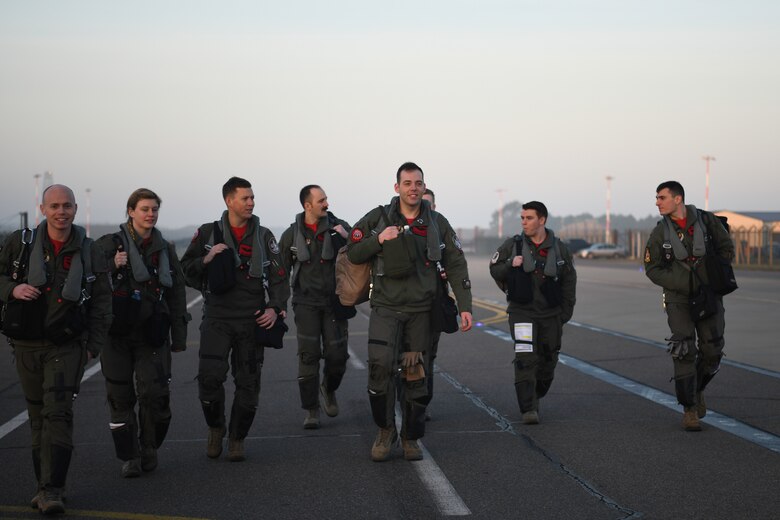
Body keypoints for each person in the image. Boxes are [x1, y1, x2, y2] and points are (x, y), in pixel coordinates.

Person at [347, 162, 473, 462]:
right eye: (407, 183)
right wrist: (379, 239)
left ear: (423, 186)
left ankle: (410, 438)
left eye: (418, 183)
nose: (413, 188)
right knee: (379, 370)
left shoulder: (437, 223)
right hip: (386, 308)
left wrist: (465, 307)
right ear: (397, 187)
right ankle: (385, 431)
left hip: (421, 311)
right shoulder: (378, 218)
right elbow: (352, 252)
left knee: (416, 376)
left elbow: (456, 262)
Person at [0, 184, 111, 515]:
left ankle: (53, 489)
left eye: (67, 206)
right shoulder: (20, 245)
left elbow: (103, 302)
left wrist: (94, 346)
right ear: (43, 209)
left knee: (58, 414)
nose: (61, 212)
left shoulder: (90, 251)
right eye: (55, 206)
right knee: (37, 418)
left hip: (68, 345)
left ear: (75, 209)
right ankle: (41, 485)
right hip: (26, 344)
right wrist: (12, 288)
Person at [180, 177, 289, 461]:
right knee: (210, 378)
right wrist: (207, 259)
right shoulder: (207, 234)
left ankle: (238, 438)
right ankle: (216, 427)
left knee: (249, 383)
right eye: (245, 198)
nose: (251, 202)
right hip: (217, 317)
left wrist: (274, 308)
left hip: (252, 319)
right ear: (229, 201)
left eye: (253, 198)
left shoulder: (265, 237)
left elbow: (279, 278)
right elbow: (185, 271)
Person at [96, 188, 190, 478]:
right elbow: (88, 281)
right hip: (117, 333)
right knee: (120, 396)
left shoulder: (165, 249)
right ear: (131, 211)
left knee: (155, 393)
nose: (150, 214)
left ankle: (149, 446)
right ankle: (130, 456)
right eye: (145, 209)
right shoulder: (108, 245)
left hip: (152, 331)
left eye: (154, 209)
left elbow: (176, 293)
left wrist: (179, 337)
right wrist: (112, 266)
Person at [644, 181, 734, 431]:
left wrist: (712, 275)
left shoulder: (707, 222)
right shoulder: (659, 233)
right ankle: (689, 409)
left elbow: (726, 248)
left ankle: (697, 388)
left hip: (709, 294)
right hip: (679, 298)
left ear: (677, 199)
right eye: (657, 197)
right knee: (683, 348)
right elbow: (652, 269)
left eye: (661, 197)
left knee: (713, 350)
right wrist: (683, 282)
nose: (657, 202)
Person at [489, 201, 576, 425]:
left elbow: (569, 282)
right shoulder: (513, 245)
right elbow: (494, 268)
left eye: (529, 218)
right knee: (526, 357)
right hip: (522, 313)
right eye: (522, 218)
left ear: (542, 220)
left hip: (550, 315)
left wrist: (564, 314)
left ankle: (535, 394)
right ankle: (528, 408)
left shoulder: (560, 248)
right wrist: (510, 264)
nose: (524, 222)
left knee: (548, 359)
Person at [279, 185, 352, 429]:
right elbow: (280, 272)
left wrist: (348, 237)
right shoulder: (291, 235)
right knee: (308, 356)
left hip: (334, 303)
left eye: (326, 199)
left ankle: (328, 389)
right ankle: (311, 410)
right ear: (307, 205)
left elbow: (360, 253)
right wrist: (277, 305)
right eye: (321, 200)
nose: (326, 204)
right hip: (305, 303)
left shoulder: (339, 226)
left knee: (338, 356)